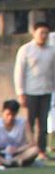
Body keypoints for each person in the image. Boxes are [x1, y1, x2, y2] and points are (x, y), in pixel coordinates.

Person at [14, 21, 54, 158]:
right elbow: (19, 72)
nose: (44, 36)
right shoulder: (26, 50)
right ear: (34, 33)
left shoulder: (51, 50)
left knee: (43, 123)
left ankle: (41, 150)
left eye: (46, 33)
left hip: (46, 90)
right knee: (29, 123)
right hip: (30, 92)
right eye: (41, 33)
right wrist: (20, 92)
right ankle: (28, 149)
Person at [0, 99, 40, 168]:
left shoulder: (23, 123)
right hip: (1, 152)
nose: (10, 118)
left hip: (18, 153)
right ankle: (5, 162)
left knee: (35, 150)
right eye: (7, 114)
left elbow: (32, 143)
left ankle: (11, 162)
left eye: (13, 115)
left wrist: (17, 150)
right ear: (3, 111)